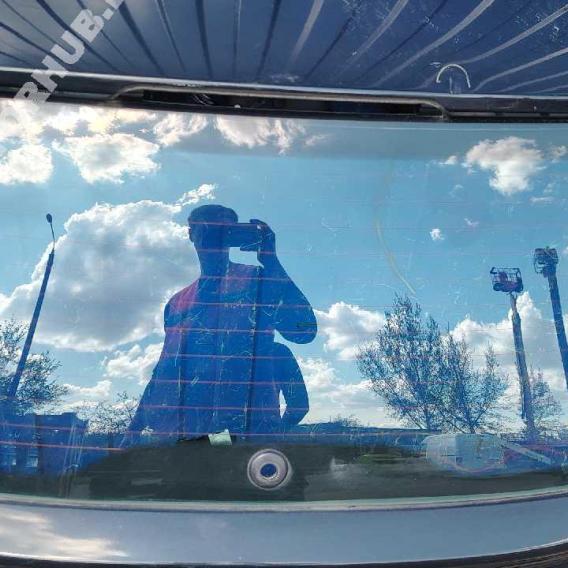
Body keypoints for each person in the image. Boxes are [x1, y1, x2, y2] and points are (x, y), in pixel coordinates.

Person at [125, 204, 316, 444]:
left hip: (251, 433)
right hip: (191, 436)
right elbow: (164, 369)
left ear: (233, 233)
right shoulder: (177, 304)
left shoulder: (258, 280)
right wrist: (133, 430)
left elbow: (303, 332)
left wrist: (271, 261)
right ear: (191, 234)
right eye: (207, 227)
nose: (215, 234)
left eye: (224, 228)